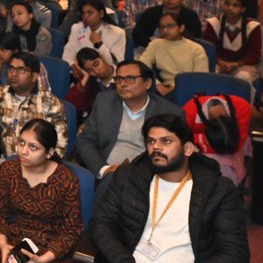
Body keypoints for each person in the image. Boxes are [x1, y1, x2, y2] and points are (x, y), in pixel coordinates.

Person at [50, 114, 250, 263]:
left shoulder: (219, 190)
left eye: (166, 141)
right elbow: (101, 224)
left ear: (188, 149)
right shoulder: (129, 176)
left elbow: (235, 253)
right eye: (151, 141)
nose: (156, 147)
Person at [0, 119, 83, 263]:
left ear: (49, 152)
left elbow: (72, 231)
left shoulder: (66, 180)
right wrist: (2, 243)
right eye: (21, 143)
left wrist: (42, 260)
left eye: (33, 147)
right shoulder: (8, 170)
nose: (23, 151)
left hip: (50, 250)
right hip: (11, 240)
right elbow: (0, 213)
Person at [75, 60, 184, 192]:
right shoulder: (104, 101)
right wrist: (103, 169)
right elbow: (85, 140)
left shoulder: (170, 112)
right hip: (106, 173)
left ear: (147, 83)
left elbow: (174, 155)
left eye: (130, 79)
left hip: (147, 177)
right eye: (119, 79)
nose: (122, 84)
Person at [0, 53, 68, 186]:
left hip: (39, 166)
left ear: (35, 76)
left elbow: (60, 144)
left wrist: (43, 166)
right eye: (11, 68)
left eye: (21, 70)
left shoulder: (50, 102)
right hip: (6, 162)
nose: (14, 74)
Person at [141, 12, 208, 97]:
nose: (165, 30)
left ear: (181, 28)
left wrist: (175, 87)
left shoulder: (196, 49)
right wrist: (157, 84)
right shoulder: (156, 44)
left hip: (189, 88)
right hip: (163, 88)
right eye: (162, 27)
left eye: (170, 26)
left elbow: (201, 78)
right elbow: (142, 66)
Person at [202, 0, 263, 84]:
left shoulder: (252, 27)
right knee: (211, 75)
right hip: (219, 63)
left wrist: (237, 64)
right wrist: (219, 61)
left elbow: (255, 55)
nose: (230, 8)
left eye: (235, 5)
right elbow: (209, 50)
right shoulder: (213, 24)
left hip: (243, 65)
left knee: (243, 77)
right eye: (227, 4)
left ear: (243, 9)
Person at [62, 0, 126, 67]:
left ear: (101, 13)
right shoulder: (76, 28)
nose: (86, 16)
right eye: (83, 13)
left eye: (90, 13)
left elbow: (116, 63)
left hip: (105, 74)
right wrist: (74, 67)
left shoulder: (117, 33)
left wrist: (99, 45)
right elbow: (68, 53)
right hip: (79, 71)